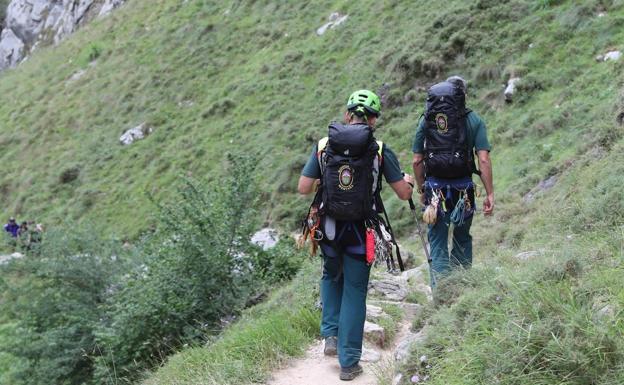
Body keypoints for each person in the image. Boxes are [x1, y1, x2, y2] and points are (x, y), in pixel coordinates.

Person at [298, 90, 414, 381]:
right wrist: (409, 182)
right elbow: (402, 193)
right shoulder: (379, 149)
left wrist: (329, 182)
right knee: (355, 291)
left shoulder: (324, 146)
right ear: (372, 120)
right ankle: (348, 364)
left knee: (330, 275)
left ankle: (330, 336)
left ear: (347, 114)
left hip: (328, 227)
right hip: (362, 231)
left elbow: (303, 187)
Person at [412, 76, 494, 288]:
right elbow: (483, 159)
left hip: (434, 192)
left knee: (438, 240)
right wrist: (490, 193)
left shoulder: (427, 119)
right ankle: (463, 289)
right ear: (462, 95)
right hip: (463, 190)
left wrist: (422, 189)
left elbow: (417, 160)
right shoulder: (473, 120)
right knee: (462, 236)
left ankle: (441, 294)